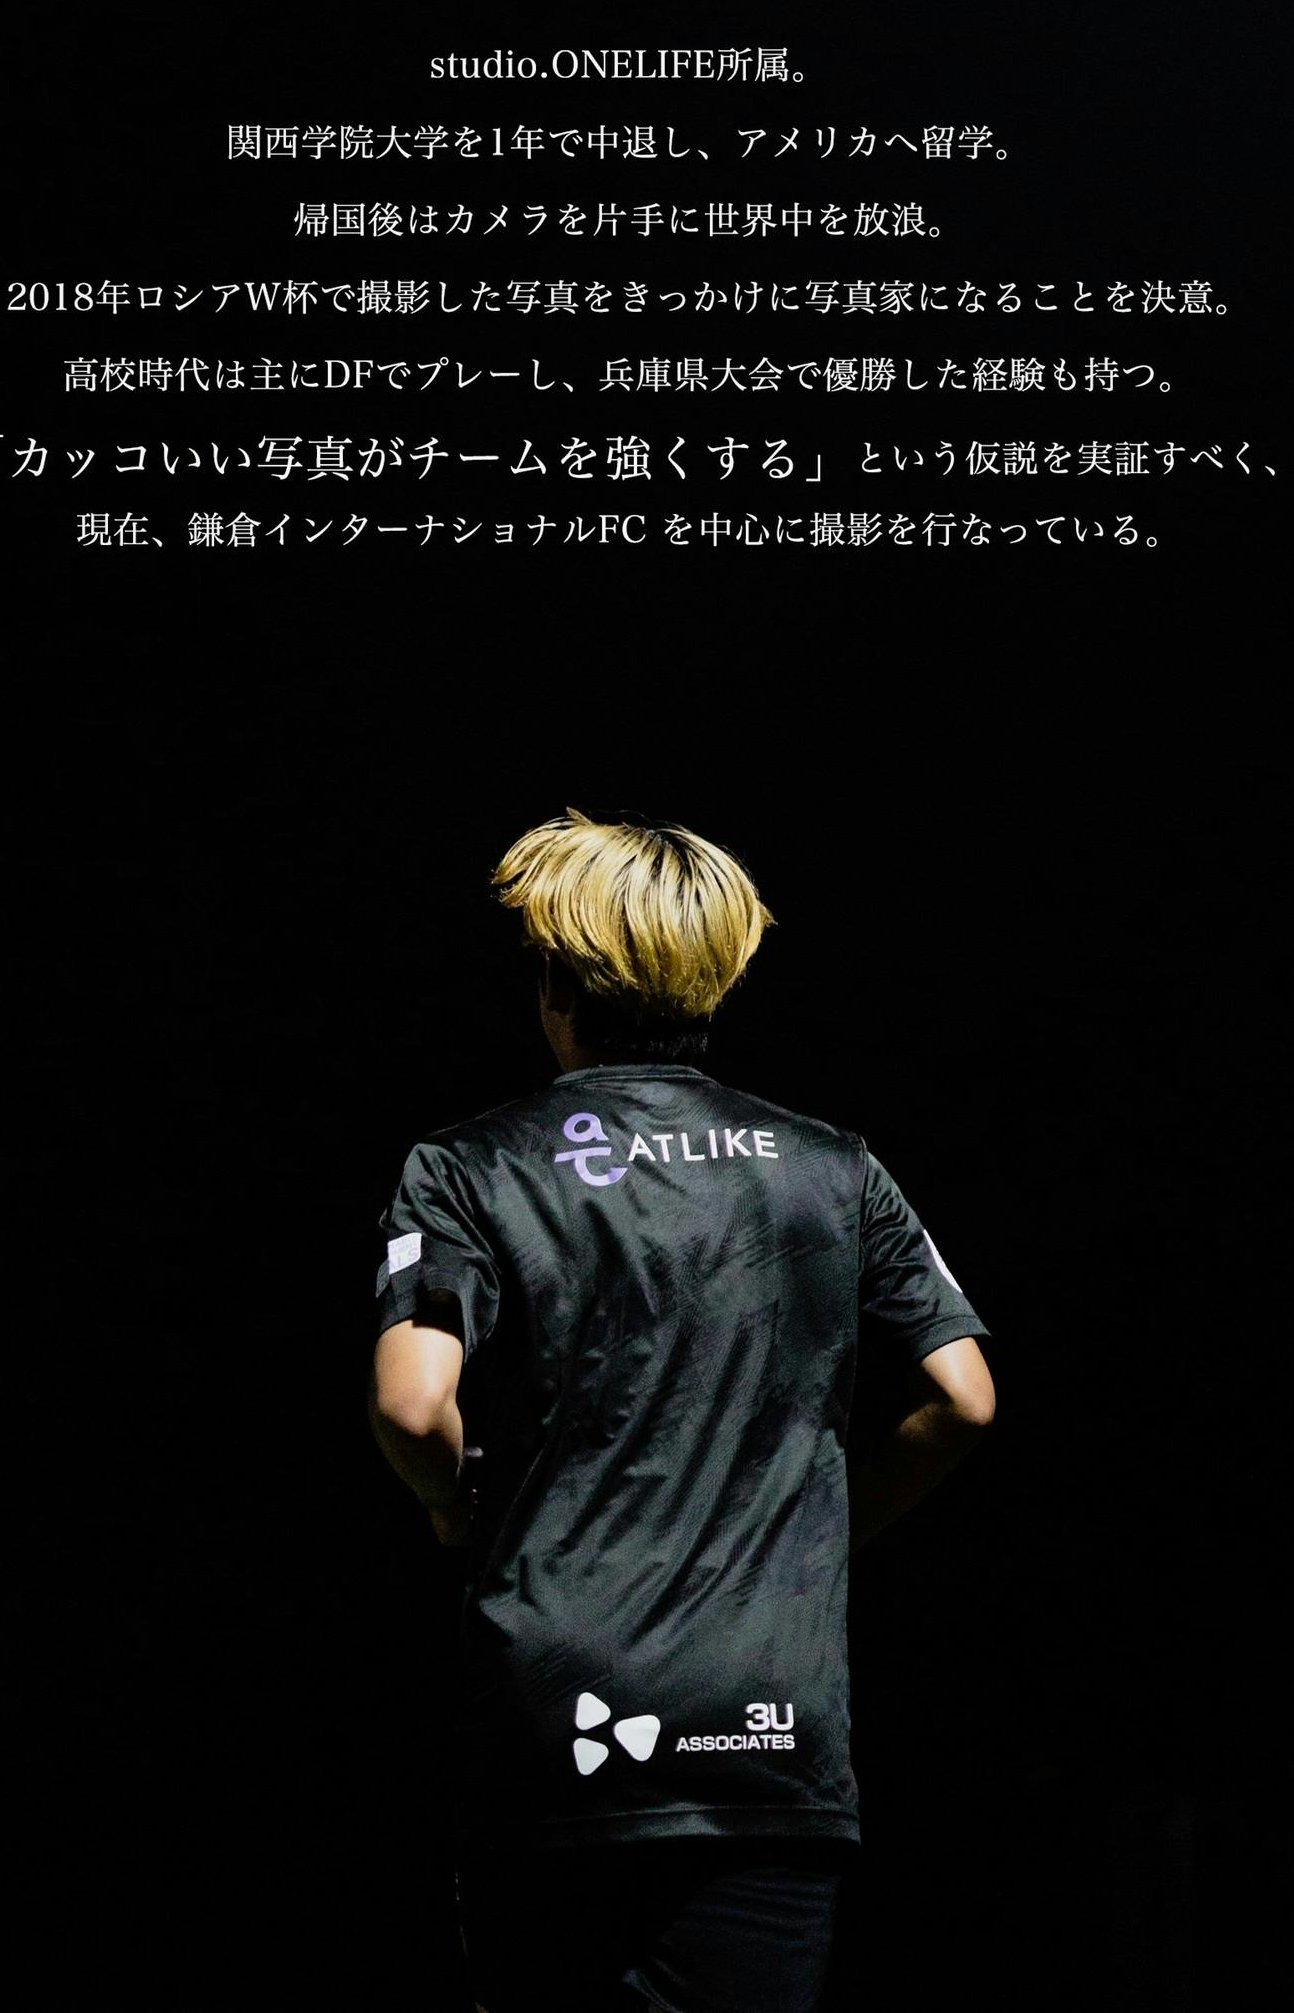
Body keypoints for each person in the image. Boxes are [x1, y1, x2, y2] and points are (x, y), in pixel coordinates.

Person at [368, 807, 995, 2013]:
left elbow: (411, 1404)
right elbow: (962, 1398)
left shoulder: (467, 1165)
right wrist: (825, 1533)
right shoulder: (833, 1165)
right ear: (718, 977)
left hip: (552, 1703)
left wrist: (451, 1508)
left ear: (556, 984)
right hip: (765, 1719)